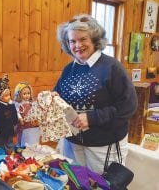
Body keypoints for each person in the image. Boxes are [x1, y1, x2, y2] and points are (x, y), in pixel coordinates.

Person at [54, 14, 138, 174]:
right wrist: (52, 98)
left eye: (83, 39)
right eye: (72, 41)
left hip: (104, 145)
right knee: (75, 182)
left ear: (94, 39)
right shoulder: (68, 69)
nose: (77, 45)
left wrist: (92, 118)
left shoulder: (111, 67)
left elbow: (128, 106)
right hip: (72, 143)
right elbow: (58, 94)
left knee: (102, 185)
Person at [14, 82, 40, 147]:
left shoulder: (32, 104)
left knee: (32, 139)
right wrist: (20, 118)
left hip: (32, 125)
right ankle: (22, 148)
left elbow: (35, 112)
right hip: (23, 125)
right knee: (23, 139)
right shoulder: (18, 105)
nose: (27, 95)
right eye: (24, 94)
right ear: (19, 94)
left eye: (28, 93)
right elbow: (17, 113)